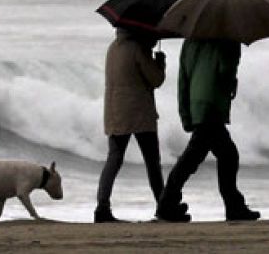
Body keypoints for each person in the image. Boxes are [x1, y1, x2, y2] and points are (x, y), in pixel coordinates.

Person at [155, 37, 260, 222]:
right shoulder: (225, 41)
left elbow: (183, 80)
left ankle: (169, 202)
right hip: (212, 104)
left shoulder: (190, 42)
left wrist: (186, 114)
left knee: (208, 156)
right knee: (223, 156)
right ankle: (168, 203)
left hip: (197, 105)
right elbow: (225, 72)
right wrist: (234, 55)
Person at [94, 28, 169, 223]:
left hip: (114, 111)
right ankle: (164, 207)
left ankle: (102, 207)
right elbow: (155, 79)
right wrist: (160, 63)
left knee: (114, 160)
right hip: (139, 113)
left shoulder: (113, 48)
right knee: (152, 163)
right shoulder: (137, 49)